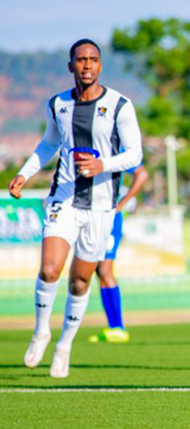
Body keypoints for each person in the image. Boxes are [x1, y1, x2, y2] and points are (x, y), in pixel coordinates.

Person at [8, 39, 143, 378]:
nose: (86, 65)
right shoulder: (57, 104)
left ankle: (65, 345)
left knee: (80, 282)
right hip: (63, 199)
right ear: (71, 66)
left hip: (100, 208)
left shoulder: (120, 105)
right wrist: (25, 173)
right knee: (50, 269)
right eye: (80, 59)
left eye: (92, 59)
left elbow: (135, 155)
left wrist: (103, 165)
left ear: (100, 66)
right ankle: (41, 331)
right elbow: (49, 143)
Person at [88, 164, 149, 343]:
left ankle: (118, 327)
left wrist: (122, 203)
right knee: (99, 270)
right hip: (91, 215)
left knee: (105, 270)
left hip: (109, 217)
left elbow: (142, 174)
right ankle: (113, 326)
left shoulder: (116, 148)